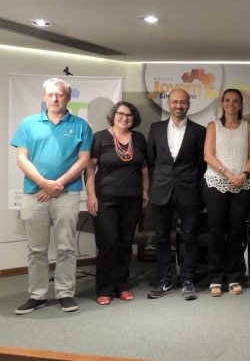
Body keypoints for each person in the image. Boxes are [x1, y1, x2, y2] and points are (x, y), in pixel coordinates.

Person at [11, 78, 93, 315]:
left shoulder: (81, 125)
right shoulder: (28, 124)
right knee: (36, 249)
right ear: (44, 97)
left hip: (67, 193)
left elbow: (84, 160)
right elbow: (22, 158)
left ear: (68, 97)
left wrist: (58, 184)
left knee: (66, 247)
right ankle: (37, 295)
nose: (55, 98)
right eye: (51, 94)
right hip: (34, 194)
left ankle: (65, 293)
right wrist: (44, 184)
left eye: (60, 94)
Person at [85, 102, 149, 305]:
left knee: (125, 243)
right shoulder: (100, 137)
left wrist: (145, 191)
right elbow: (90, 169)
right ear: (113, 116)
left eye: (129, 115)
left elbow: (144, 169)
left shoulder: (139, 138)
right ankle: (104, 288)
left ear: (134, 118)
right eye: (120, 114)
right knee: (108, 243)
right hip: (106, 199)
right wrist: (91, 195)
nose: (124, 117)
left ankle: (122, 286)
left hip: (132, 199)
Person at [147, 89, 206, 301]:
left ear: (189, 105)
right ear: (168, 104)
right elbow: (151, 161)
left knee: (190, 237)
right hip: (161, 190)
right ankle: (165, 280)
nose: (179, 106)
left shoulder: (199, 131)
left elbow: (201, 165)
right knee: (162, 237)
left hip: (188, 191)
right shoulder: (155, 128)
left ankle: (188, 279)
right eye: (175, 102)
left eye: (183, 102)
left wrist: (198, 191)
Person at [203, 89, 250, 297]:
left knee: (236, 231)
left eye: (235, 101)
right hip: (216, 182)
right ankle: (215, 277)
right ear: (222, 103)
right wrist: (227, 174)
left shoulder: (247, 127)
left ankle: (234, 276)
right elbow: (208, 155)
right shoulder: (213, 126)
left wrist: (243, 175)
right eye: (227, 100)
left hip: (242, 184)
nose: (231, 104)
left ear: (240, 105)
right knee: (216, 231)